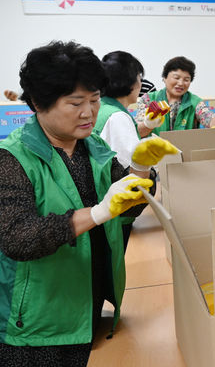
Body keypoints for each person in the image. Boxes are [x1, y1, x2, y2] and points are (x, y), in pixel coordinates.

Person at [0, 41, 178, 366]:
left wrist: (139, 169)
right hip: (38, 320)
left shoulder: (92, 146)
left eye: (94, 100)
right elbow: (17, 237)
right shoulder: (13, 158)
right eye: (75, 103)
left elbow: (128, 208)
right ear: (38, 103)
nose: (89, 113)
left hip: (87, 304)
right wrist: (97, 213)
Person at [94, 51, 156, 248]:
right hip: (115, 213)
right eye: (139, 78)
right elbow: (131, 171)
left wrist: (145, 126)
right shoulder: (118, 117)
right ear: (130, 83)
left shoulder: (103, 108)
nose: (140, 84)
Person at [134, 56, 215, 137]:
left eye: (186, 79)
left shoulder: (195, 101)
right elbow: (138, 133)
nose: (181, 83)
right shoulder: (148, 99)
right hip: (154, 154)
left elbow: (208, 116)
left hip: (185, 154)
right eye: (176, 78)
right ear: (164, 78)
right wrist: (148, 124)